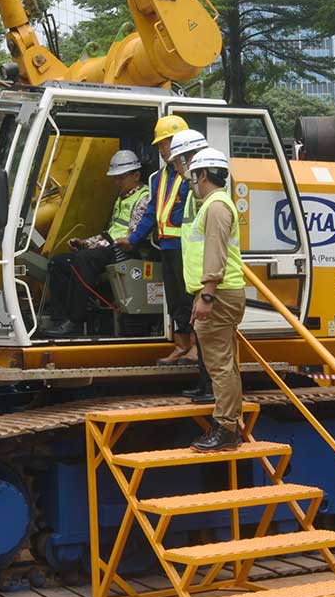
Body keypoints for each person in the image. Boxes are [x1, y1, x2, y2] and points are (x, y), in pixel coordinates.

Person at [182, 147, 247, 452]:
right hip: (222, 292)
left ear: (203, 174)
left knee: (219, 364)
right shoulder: (216, 204)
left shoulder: (216, 206)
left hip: (218, 294)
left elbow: (215, 253)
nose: (191, 181)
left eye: (193, 175)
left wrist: (206, 294)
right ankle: (229, 422)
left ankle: (225, 429)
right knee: (225, 362)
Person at [44, 150, 150, 337]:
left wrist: (95, 246)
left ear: (136, 175)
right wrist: (85, 242)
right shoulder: (121, 199)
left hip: (122, 251)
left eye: (121, 178)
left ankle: (76, 320)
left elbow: (131, 237)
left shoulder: (143, 198)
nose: (117, 183)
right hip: (109, 246)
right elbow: (110, 231)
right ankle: (59, 319)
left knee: (84, 260)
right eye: (115, 178)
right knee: (58, 262)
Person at [116, 115, 194, 365]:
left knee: (189, 298)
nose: (162, 149)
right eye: (160, 145)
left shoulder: (194, 175)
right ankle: (181, 346)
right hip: (167, 247)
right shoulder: (160, 177)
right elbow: (152, 212)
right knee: (175, 300)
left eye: (166, 143)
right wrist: (134, 239)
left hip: (188, 248)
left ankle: (195, 346)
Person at [166, 129, 216, 402]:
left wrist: (208, 289)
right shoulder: (194, 191)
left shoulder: (207, 195)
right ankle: (203, 384)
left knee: (209, 340)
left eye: (177, 161)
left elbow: (214, 243)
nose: (175, 166)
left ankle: (210, 389)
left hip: (207, 280)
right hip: (197, 277)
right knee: (202, 334)